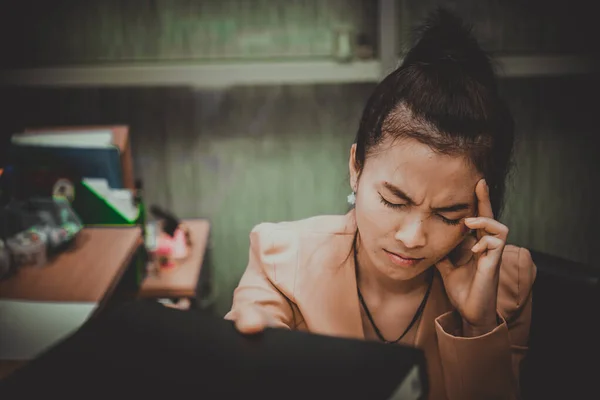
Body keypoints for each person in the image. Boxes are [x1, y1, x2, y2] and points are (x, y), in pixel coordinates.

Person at [225, 9, 536, 400]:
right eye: (393, 200)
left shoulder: (508, 284)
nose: (411, 237)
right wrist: (245, 354)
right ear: (356, 167)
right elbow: (244, 365)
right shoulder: (281, 260)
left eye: (448, 214)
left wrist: (477, 325)